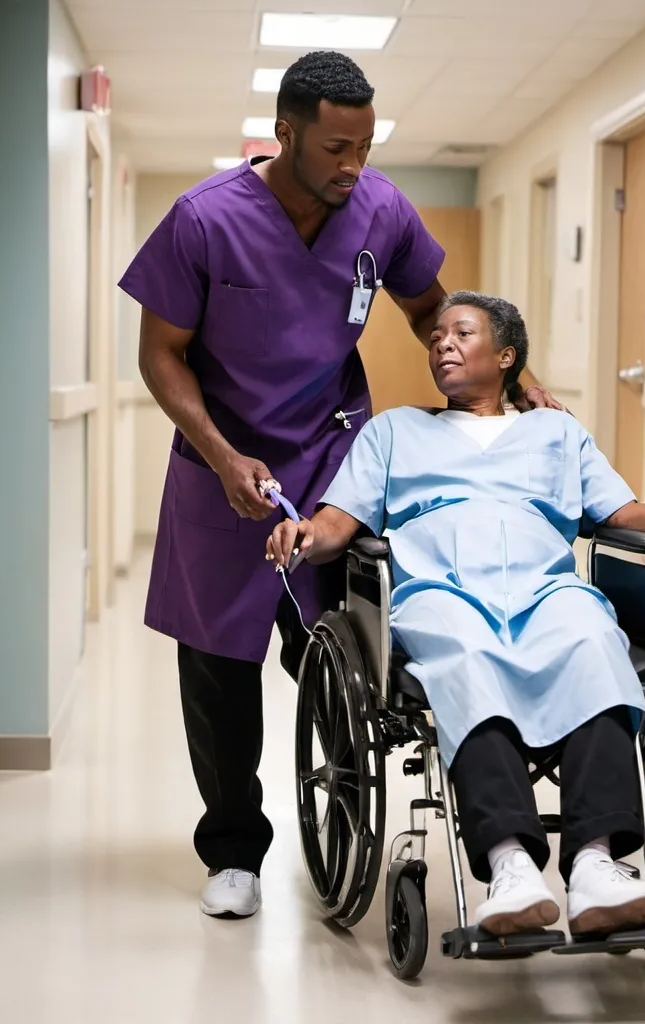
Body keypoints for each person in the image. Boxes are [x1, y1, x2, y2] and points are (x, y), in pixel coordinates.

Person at [118, 52, 561, 920]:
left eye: (364, 146)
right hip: (222, 469)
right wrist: (218, 453)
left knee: (340, 648)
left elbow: (432, 308)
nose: (353, 166)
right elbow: (159, 354)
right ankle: (234, 850)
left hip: (329, 460)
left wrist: (514, 374)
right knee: (216, 670)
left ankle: (345, 808)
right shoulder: (203, 220)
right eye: (335, 148)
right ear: (285, 133)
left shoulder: (380, 208)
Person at [267, 292, 645, 936]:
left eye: (461, 332)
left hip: (545, 590)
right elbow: (338, 520)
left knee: (594, 640)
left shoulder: (557, 431)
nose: (441, 342)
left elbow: (619, 513)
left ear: (508, 356)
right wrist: (304, 534)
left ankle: (597, 867)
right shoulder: (393, 432)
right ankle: (511, 865)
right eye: (435, 335)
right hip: (440, 595)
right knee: (464, 657)